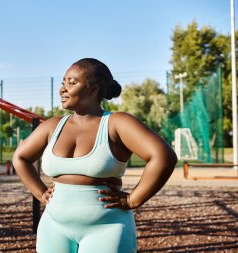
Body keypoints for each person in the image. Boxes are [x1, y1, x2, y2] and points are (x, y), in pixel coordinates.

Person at [12, 58, 177, 253]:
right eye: (63, 82)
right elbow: (20, 158)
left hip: (107, 227)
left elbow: (163, 156)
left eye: (72, 83)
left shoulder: (117, 123)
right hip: (54, 225)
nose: (63, 89)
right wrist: (40, 193)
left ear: (93, 89)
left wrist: (133, 199)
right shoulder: (52, 126)